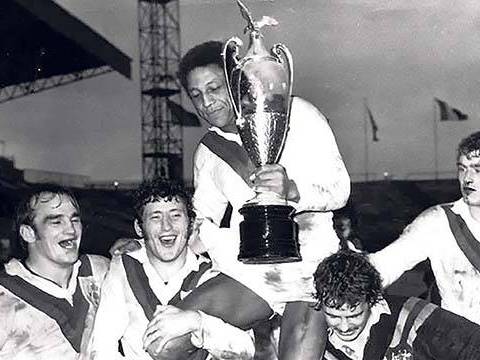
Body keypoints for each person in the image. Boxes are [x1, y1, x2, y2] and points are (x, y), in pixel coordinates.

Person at [178, 40, 351, 359]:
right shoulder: (208, 150)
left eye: (214, 88)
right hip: (252, 269)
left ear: (236, 81)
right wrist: (148, 246)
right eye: (196, 95)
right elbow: (201, 220)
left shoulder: (297, 113)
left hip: (310, 265)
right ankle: (246, 349)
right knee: (170, 339)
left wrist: (292, 190)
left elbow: (340, 190)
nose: (207, 103)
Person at [89, 179, 264, 360]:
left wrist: (197, 322)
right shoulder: (124, 268)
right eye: (155, 217)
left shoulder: (211, 275)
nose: (167, 226)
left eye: (176, 215)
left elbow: (246, 349)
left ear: (191, 223)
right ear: (139, 228)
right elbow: (102, 348)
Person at [370, 131, 480, 324]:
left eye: (477, 169)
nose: (467, 179)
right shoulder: (437, 222)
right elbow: (384, 266)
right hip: (459, 343)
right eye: (462, 169)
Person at [0, 184, 109, 359]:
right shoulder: (5, 297)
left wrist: (136, 247)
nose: (71, 230)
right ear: (28, 233)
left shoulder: (100, 271)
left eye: (74, 220)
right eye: (56, 222)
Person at [313, 249, 480, 360]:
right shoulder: (313, 344)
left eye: (354, 315)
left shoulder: (413, 315)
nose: (344, 327)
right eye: (333, 316)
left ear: (372, 299)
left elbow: (474, 344)